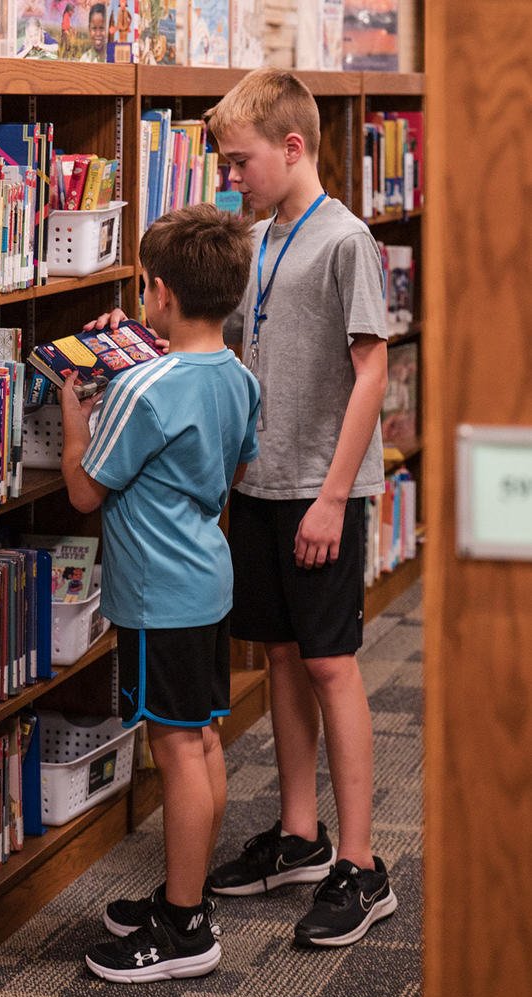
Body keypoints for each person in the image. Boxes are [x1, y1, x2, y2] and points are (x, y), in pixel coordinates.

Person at [203, 67, 397, 948]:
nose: (230, 176)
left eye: (240, 161)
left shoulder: (346, 240)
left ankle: (362, 864)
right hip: (261, 484)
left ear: (291, 147)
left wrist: (329, 496)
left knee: (331, 665)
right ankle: (299, 837)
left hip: (323, 490)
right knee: (282, 654)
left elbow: (372, 373)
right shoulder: (257, 238)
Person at [59, 204, 261, 982]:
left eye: (146, 287)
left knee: (174, 748)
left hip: (156, 596)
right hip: (208, 581)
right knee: (204, 736)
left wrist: (79, 417)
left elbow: (84, 492)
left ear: (161, 293)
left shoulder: (142, 388)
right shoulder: (238, 375)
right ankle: (191, 899)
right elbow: (237, 467)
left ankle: (181, 932)